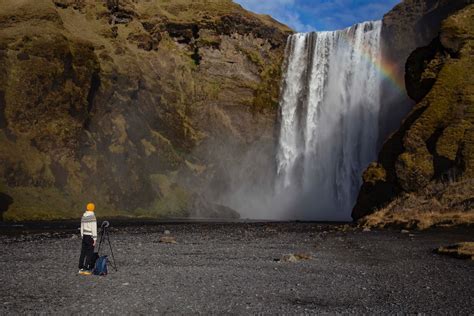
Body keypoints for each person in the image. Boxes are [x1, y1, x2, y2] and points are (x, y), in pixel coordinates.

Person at [78, 203, 97, 275]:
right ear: (93, 208)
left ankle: (80, 267)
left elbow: (81, 227)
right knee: (89, 253)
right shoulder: (92, 217)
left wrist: (82, 235)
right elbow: (94, 229)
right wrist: (94, 239)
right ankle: (86, 268)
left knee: (83, 252)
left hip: (85, 236)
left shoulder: (84, 216)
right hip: (90, 236)